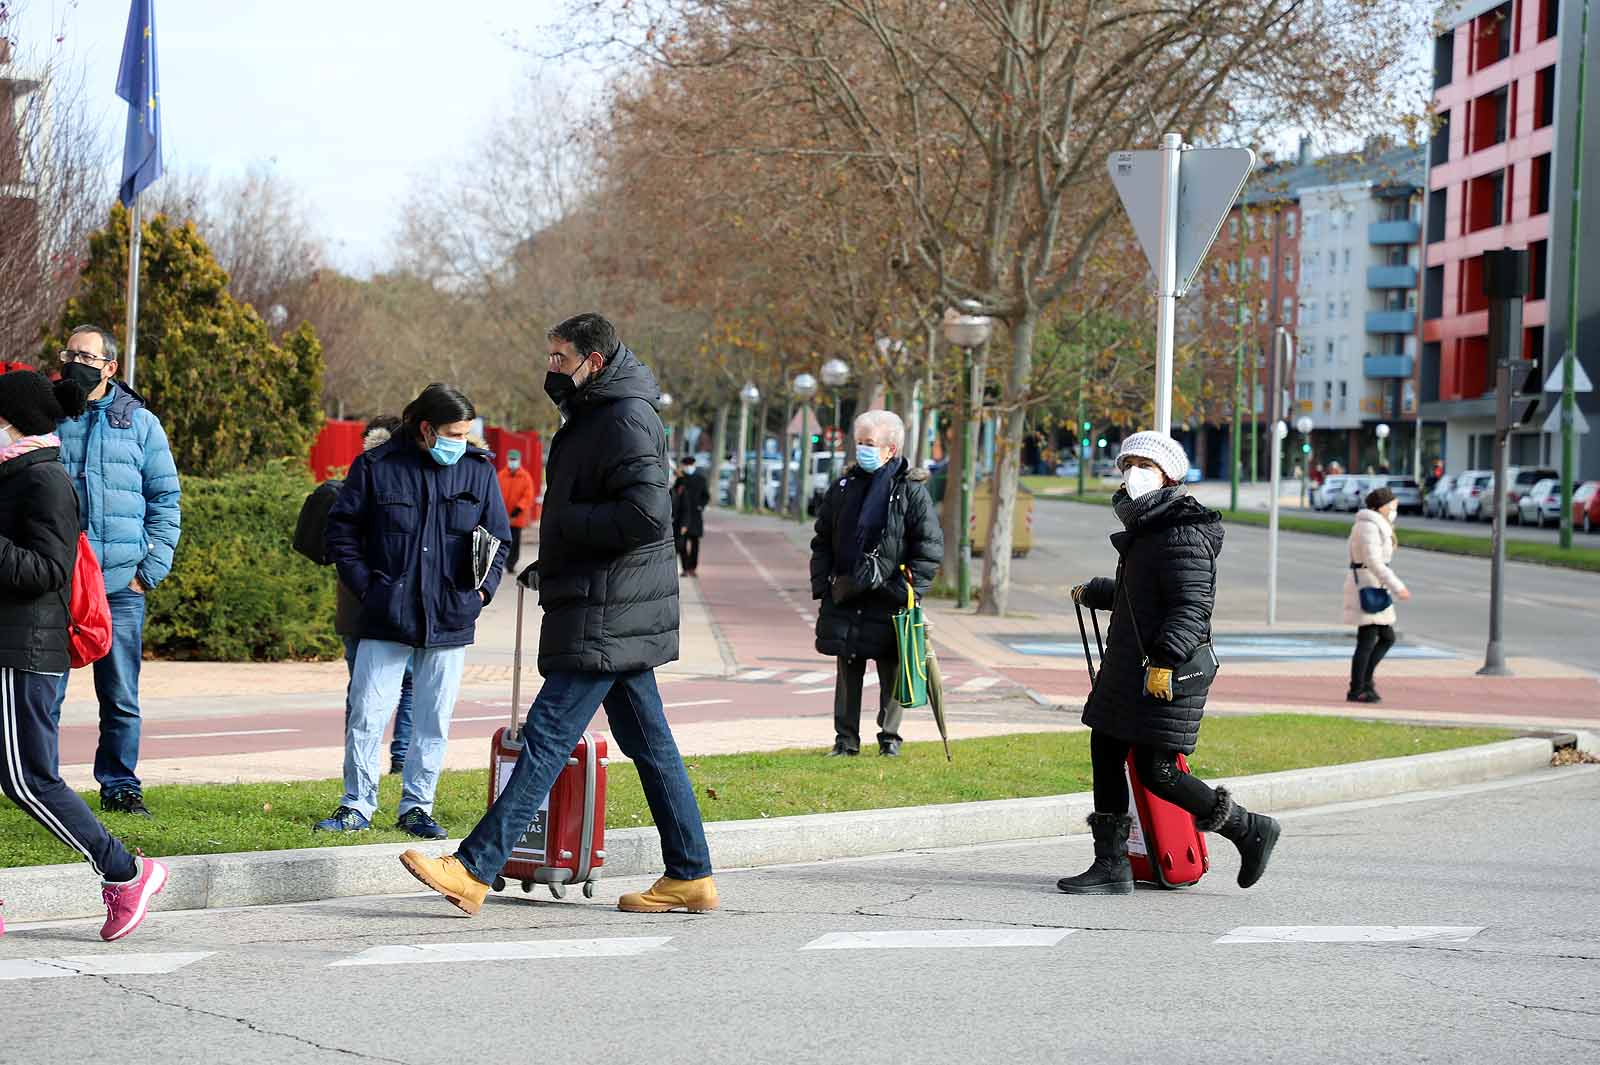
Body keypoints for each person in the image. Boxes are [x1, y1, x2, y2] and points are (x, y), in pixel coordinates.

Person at [399, 313, 717, 916]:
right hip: (604, 598)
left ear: (592, 361)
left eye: (558, 357)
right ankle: (691, 873)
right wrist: (559, 558)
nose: (550, 367)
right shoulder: (598, 412)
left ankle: (473, 868)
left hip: (610, 607)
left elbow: (647, 517)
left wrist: (567, 531)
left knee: (546, 736)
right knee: (651, 745)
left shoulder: (623, 416)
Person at [1061, 431, 1280, 895]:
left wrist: (1163, 660)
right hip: (1130, 668)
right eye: (1127, 464)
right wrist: (1100, 591)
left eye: (1144, 465)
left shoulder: (1181, 530)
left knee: (1158, 770)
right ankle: (1112, 864)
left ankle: (1249, 829)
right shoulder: (1150, 525)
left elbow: (1190, 606)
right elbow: (1144, 594)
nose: (1132, 473)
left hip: (1164, 671)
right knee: (1106, 749)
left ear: (1170, 476)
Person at [0, 369, 168, 940]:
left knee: (28, 780)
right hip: (10, 643)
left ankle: (125, 872)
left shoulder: (43, 481)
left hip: (21, 648)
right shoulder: (13, 474)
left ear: (11, 423)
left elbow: (47, 571)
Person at [319, 384, 511, 839]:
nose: (460, 441)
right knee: (367, 712)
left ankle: (417, 807)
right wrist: (369, 589)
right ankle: (357, 805)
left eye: (466, 434)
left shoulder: (477, 471)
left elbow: (498, 539)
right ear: (426, 428)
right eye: (453, 433)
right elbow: (341, 533)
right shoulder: (375, 467)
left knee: (434, 719)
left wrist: (480, 595)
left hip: (450, 616)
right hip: (386, 615)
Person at [49, 325, 181, 818]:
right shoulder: (48, 418)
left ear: (110, 367)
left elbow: (165, 498)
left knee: (120, 695)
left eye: (85, 355)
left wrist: (149, 570)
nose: (74, 361)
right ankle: (42, 785)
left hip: (121, 586)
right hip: (56, 582)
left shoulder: (142, 425)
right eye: (69, 353)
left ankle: (121, 785)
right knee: (44, 693)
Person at [809, 410, 943, 758]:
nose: (862, 450)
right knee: (847, 667)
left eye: (870, 444)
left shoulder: (911, 492)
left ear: (891, 449)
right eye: (860, 443)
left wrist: (902, 589)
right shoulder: (842, 488)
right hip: (846, 593)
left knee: (892, 669)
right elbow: (822, 539)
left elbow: (928, 549)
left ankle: (890, 737)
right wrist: (824, 583)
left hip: (890, 596)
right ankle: (846, 740)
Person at [332, 415, 413, 776]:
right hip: (381, 604)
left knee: (361, 690)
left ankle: (359, 758)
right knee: (407, 685)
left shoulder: (356, 479)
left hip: (356, 605)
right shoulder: (399, 482)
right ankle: (401, 756)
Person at [1344, 485, 1410, 703]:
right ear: (1382, 507)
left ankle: (1364, 681)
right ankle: (1358, 688)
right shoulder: (1368, 527)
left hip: (1374, 584)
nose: (1394, 510)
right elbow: (1374, 561)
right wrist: (1397, 586)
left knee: (1382, 637)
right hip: (1367, 585)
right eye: (1392, 506)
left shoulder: (1376, 525)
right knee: (1368, 639)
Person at [498, 448, 536, 576]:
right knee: (501, 541)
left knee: (514, 543)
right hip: (502, 516)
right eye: (511, 460)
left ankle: (511, 564)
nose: (512, 462)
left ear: (519, 461)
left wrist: (519, 508)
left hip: (517, 517)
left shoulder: (525, 477)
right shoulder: (501, 475)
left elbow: (528, 495)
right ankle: (500, 563)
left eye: (515, 460)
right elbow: (496, 493)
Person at [671, 454, 710, 576]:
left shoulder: (700, 478)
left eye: (687, 465)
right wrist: (678, 477)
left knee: (695, 544)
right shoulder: (681, 478)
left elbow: (706, 495)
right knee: (681, 543)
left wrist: (701, 506)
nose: (686, 467)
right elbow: (675, 493)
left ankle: (693, 567)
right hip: (682, 516)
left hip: (696, 516)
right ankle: (686, 567)